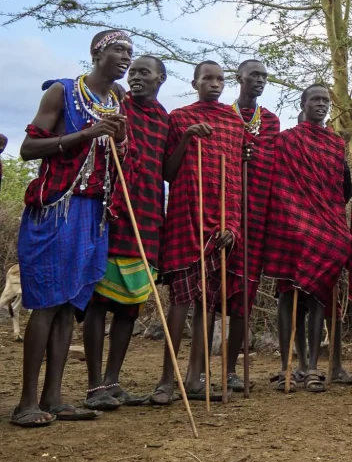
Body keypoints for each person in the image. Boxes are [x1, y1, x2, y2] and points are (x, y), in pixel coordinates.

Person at [12, 29, 134, 427]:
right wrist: (85, 134)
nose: (125, 57)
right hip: (55, 210)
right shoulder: (62, 92)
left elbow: (119, 160)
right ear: (97, 53)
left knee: (69, 308)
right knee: (46, 304)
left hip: (93, 215)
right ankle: (26, 402)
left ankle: (54, 397)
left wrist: (120, 138)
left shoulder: (117, 102)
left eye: (129, 52)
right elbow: (28, 149)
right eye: (118, 49)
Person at [151, 61, 243, 405]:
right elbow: (168, 172)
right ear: (195, 83)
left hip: (220, 220)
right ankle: (166, 379)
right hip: (185, 215)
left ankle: (195, 376)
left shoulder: (234, 122)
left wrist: (232, 226)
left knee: (209, 302)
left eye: (220, 79)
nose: (215, 84)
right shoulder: (179, 117)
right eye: (208, 79)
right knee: (180, 300)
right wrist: (188, 137)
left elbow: (233, 177)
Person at [82, 55, 169, 411]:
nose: (135, 77)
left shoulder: (166, 119)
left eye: (144, 72)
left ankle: (113, 381)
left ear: (160, 79)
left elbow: (169, 168)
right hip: (114, 210)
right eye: (133, 72)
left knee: (130, 304)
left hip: (149, 214)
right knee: (99, 301)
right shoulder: (115, 106)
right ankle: (93, 386)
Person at [263, 84, 350, 393]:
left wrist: (328, 217)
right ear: (302, 103)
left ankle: (313, 366)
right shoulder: (285, 141)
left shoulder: (335, 144)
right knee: (288, 295)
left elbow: (344, 189)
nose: (321, 104)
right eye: (315, 99)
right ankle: (291, 365)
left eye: (326, 100)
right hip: (290, 224)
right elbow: (273, 180)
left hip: (326, 227)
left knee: (317, 296)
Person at [223, 59, 280, 393]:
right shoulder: (222, 116)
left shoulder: (270, 121)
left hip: (256, 215)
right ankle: (197, 371)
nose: (259, 80)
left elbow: (272, 165)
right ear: (239, 77)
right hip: (223, 211)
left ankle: (230, 369)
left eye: (264, 76)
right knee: (213, 290)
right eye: (254, 74)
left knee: (245, 293)